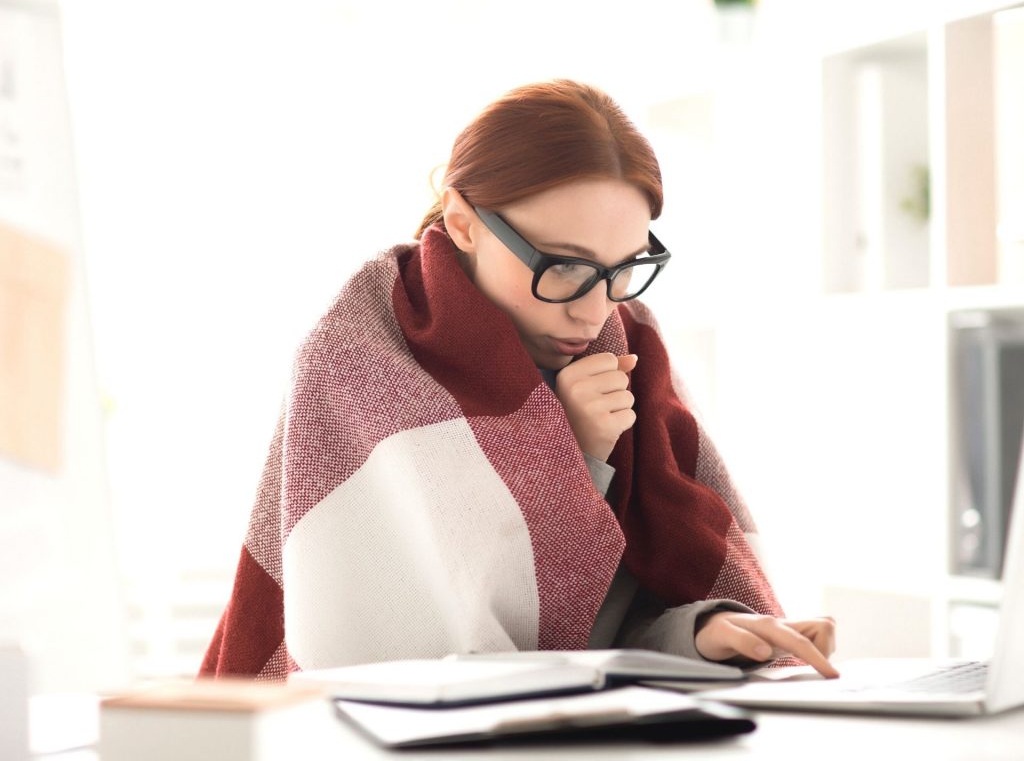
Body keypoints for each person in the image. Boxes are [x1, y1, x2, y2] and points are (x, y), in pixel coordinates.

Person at [200, 79, 837, 681]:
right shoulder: (357, 359)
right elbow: (441, 651)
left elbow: (599, 638)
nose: (593, 310)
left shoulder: (632, 346)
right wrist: (574, 452)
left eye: (624, 268)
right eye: (563, 266)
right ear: (464, 221)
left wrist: (708, 631)